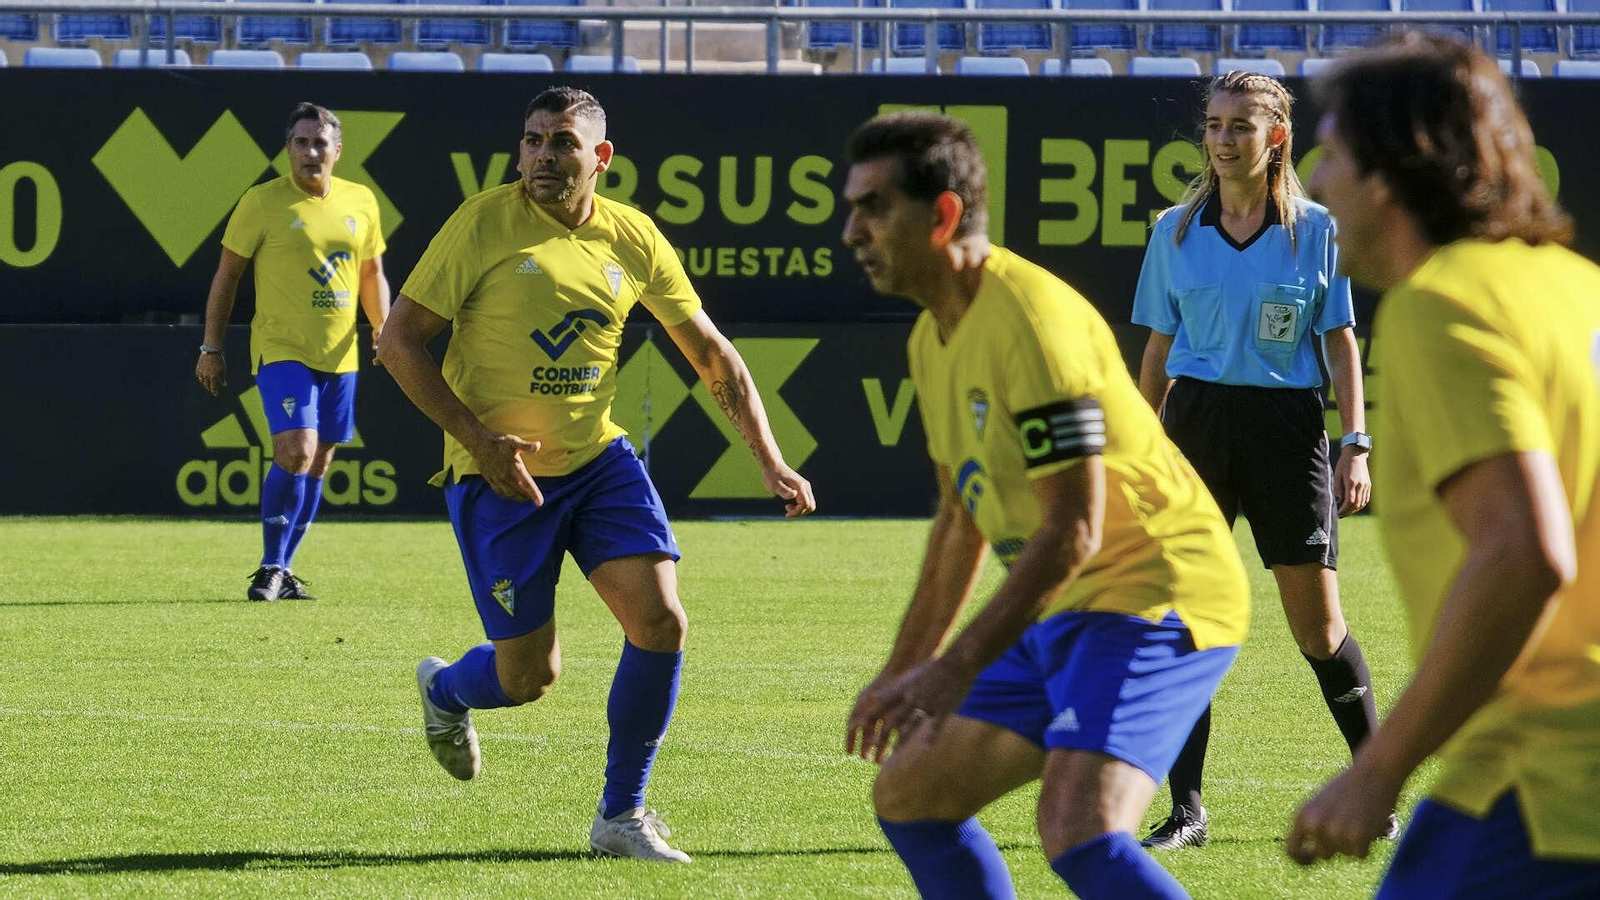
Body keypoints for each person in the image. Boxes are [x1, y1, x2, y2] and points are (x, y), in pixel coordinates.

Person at [377, 86, 815, 864]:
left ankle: (621, 814)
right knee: (527, 677)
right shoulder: (482, 222)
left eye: (563, 143)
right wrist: (478, 441)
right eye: (534, 141)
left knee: (661, 622)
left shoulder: (633, 236)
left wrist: (770, 459)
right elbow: (398, 342)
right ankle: (447, 690)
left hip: (599, 462)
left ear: (600, 158)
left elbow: (711, 354)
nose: (544, 156)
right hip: (500, 477)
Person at [841, 111, 1249, 900]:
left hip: (1157, 593)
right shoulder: (932, 339)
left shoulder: (1030, 320)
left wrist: (954, 666)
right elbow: (960, 520)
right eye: (853, 206)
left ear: (944, 214)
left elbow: (1074, 529)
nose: (852, 229)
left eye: (873, 207)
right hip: (1065, 606)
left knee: (1081, 830)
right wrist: (905, 668)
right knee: (912, 797)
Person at [1287, 33, 1600, 896]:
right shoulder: (1576, 288)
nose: (1315, 182)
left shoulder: (1442, 304)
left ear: (1389, 171)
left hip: (1541, 783)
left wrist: (1377, 766)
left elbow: (1523, 551)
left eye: (1335, 153)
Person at [1130, 71, 1388, 849]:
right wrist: (1143, 449)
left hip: (1288, 429)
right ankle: (1188, 812)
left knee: (1319, 628)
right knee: (1185, 623)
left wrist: (1355, 442)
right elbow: (1157, 350)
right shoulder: (1173, 231)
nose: (1221, 137)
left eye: (1240, 124)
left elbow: (1339, 340)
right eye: (1213, 123)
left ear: (1276, 136)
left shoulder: (1318, 229)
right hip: (1197, 427)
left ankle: (1375, 792)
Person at [196, 101, 390, 602]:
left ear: (338, 150)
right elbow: (226, 277)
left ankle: (283, 570)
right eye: (300, 142)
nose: (310, 151)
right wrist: (211, 346)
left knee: (320, 461)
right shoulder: (261, 203)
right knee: (297, 449)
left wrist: (383, 330)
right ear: (287, 150)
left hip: (341, 354)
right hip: (282, 349)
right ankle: (270, 566)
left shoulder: (362, 201)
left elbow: (371, 274)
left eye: (319, 142)